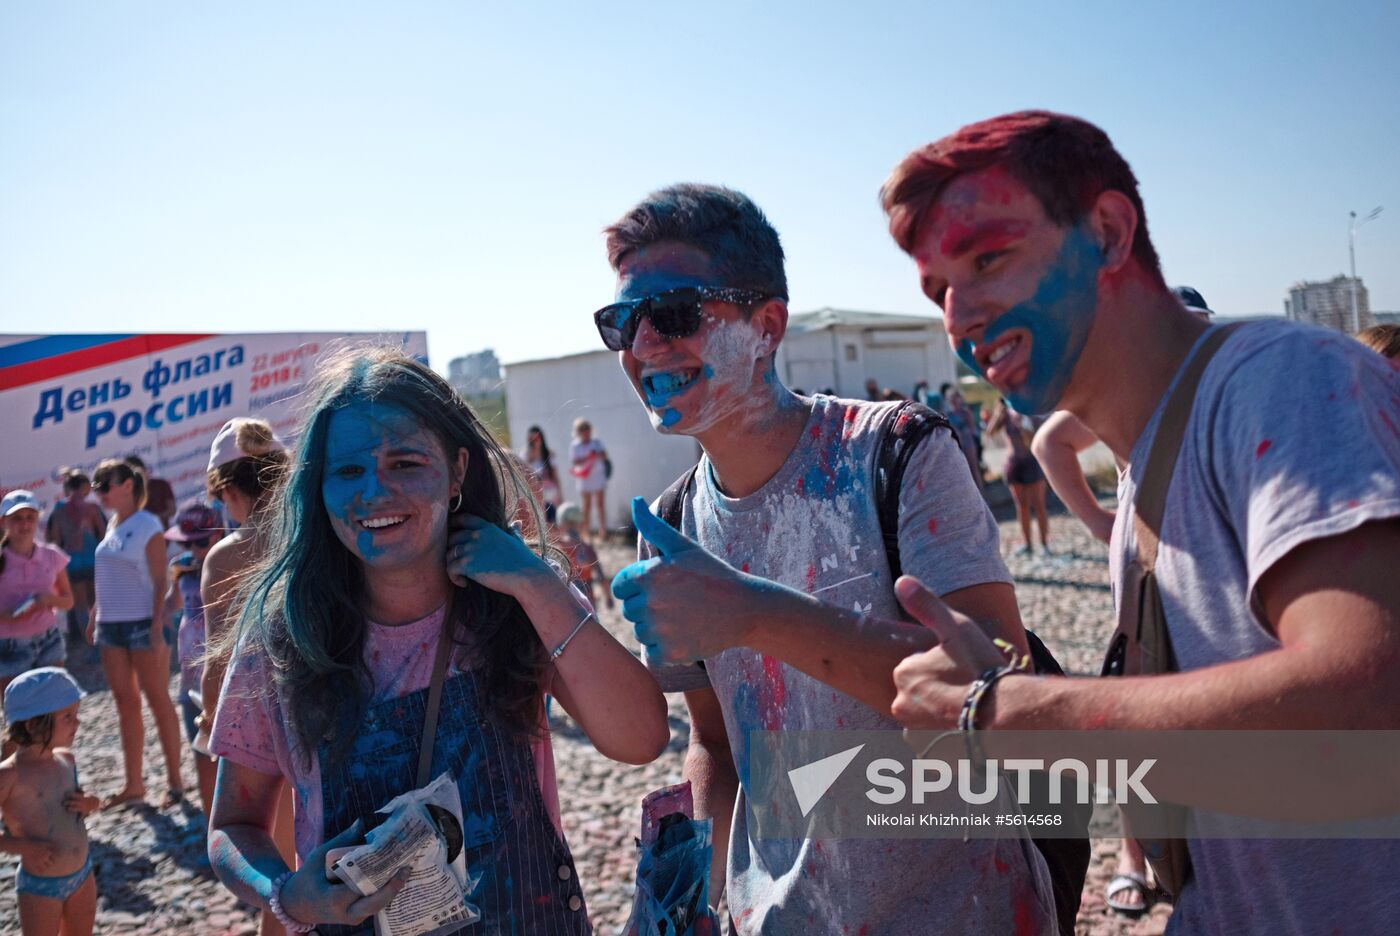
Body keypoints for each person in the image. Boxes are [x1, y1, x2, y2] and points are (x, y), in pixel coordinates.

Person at [880, 110, 1400, 934]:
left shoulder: (1280, 383)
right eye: (938, 289)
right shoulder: (1142, 476)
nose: (959, 316)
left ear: (1110, 233)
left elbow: (1369, 692)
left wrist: (1008, 709)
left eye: (988, 259)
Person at [597, 184, 1055, 934]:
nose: (643, 344)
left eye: (674, 313)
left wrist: (750, 613)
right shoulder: (673, 524)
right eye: (621, 321)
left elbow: (1001, 693)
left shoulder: (900, 452)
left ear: (767, 324)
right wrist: (690, 893)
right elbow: (716, 742)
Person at [206, 346, 667, 934]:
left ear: (456, 472)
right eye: (348, 471)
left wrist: (537, 583)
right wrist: (286, 894)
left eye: (405, 463)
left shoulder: (518, 603)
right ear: (316, 489)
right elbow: (234, 824)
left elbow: (642, 738)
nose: (375, 492)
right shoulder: (281, 640)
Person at [198, 417, 295, 933]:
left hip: (265, 729)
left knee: (282, 886)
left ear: (230, 489)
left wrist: (212, 727)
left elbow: (218, 661)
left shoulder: (227, 557)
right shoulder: (316, 532)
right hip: (333, 712)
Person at [90, 458, 185, 810]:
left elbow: (161, 579)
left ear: (127, 486)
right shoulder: (112, 524)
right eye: (97, 485)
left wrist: (158, 625)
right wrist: (94, 613)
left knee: (158, 699)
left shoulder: (148, 525)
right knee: (125, 704)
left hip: (143, 622)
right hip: (111, 625)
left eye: (104, 484)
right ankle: (133, 785)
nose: (98, 491)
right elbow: (109, 576)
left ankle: (176, 782)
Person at [0, 667, 100, 936]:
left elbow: (82, 806)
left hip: (83, 873)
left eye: (76, 715)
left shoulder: (67, 760)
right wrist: (21, 846)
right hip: (40, 886)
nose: (77, 723)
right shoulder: (9, 776)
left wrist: (90, 803)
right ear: (33, 724)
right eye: (68, 717)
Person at [164, 504, 224, 817]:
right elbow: (172, 605)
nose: (193, 550)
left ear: (217, 534)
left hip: (223, 677)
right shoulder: (183, 569)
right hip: (190, 679)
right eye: (186, 543)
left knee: (233, 757)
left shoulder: (230, 562)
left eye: (200, 542)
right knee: (200, 754)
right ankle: (210, 827)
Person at [1, 491, 74, 738]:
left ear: (37, 520)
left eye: (29, 517)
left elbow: (68, 600)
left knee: (58, 715)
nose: (24, 524)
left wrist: (47, 600)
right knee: (15, 725)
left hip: (48, 641)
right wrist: (6, 616)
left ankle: (59, 774)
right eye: (17, 518)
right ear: (4, 522)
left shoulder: (51, 555)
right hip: (9, 647)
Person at [45, 471, 105, 642]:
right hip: (94, 560)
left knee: (79, 605)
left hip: (72, 563)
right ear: (83, 487)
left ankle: (88, 642)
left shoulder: (58, 511)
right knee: (95, 602)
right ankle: (100, 639)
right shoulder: (92, 508)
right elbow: (103, 535)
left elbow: (54, 541)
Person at [987, 398, 1051, 554]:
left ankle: (1044, 544)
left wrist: (1024, 422)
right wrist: (1000, 411)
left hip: (1032, 462)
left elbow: (1039, 436)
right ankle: (1028, 544)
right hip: (1014, 463)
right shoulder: (1006, 414)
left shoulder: (1031, 413)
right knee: (1021, 507)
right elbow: (990, 431)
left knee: (1039, 505)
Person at [555, 502, 614, 612]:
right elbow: (600, 575)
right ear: (580, 524)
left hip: (565, 599)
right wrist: (608, 596)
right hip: (587, 599)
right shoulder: (587, 548)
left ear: (561, 523)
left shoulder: (557, 549)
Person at [568, 418, 609, 540]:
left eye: (587, 428)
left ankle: (603, 531)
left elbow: (604, 455)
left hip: (597, 476)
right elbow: (574, 461)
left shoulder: (596, 442)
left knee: (600, 504)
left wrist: (596, 454)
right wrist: (587, 457)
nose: (586, 432)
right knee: (586, 506)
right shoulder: (575, 445)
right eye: (582, 429)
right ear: (578, 432)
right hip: (584, 477)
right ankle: (587, 533)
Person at [521, 425, 562, 525]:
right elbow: (523, 474)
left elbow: (556, 476)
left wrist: (560, 494)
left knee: (552, 522)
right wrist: (531, 457)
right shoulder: (525, 455)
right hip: (534, 494)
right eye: (532, 438)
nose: (535, 441)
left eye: (537, 438)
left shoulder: (549, 454)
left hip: (550, 494)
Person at [124, 455, 176, 530]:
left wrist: (154, 519)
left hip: (163, 533)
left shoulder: (161, 484)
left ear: (143, 470)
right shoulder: (127, 493)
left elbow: (172, 510)